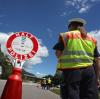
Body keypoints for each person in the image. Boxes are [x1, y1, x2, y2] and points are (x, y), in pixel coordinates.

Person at [53, 18, 100, 99]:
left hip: (71, 70)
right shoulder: (92, 40)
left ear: (71, 26)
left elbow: (58, 54)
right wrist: (97, 78)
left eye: (68, 26)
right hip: (89, 71)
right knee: (90, 95)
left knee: (72, 95)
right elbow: (97, 60)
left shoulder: (66, 35)